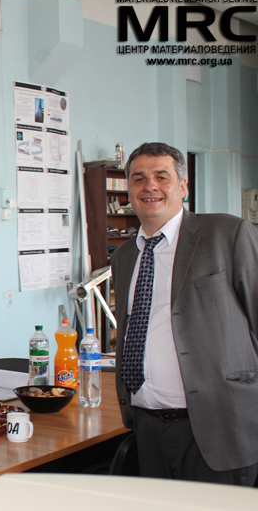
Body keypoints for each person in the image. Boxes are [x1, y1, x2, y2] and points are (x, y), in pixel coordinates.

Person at [112, 142, 258, 485]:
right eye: (138, 179)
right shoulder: (123, 257)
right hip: (148, 427)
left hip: (221, 426)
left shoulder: (227, 234)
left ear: (182, 187)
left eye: (161, 176)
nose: (149, 186)